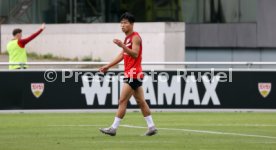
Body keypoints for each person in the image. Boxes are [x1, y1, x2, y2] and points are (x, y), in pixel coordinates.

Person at [99, 12, 157, 136]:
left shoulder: (135, 37)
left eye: (125, 23)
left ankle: (113, 128)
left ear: (131, 24)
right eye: (121, 23)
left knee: (122, 101)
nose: (122, 25)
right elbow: (122, 55)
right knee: (141, 101)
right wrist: (108, 66)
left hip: (133, 74)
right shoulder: (127, 38)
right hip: (133, 74)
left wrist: (122, 45)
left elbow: (135, 54)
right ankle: (151, 127)